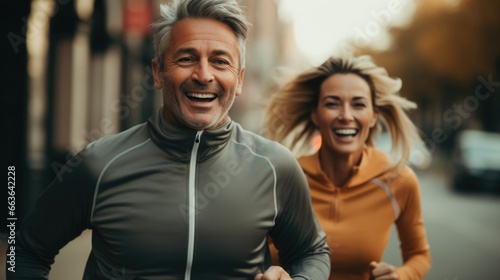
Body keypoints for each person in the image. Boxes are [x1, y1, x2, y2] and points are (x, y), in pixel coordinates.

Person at [11, 0, 330, 279]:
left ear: (240, 78)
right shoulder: (99, 163)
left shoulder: (275, 167)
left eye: (220, 61)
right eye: (187, 58)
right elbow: (24, 250)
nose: (204, 75)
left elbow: (312, 252)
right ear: (158, 72)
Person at [264, 55, 431, 280]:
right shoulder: (283, 178)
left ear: (373, 117)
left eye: (358, 104)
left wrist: (401, 275)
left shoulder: (399, 181)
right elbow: (245, 254)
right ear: (315, 114)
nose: (346, 116)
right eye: (332, 104)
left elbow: (419, 255)